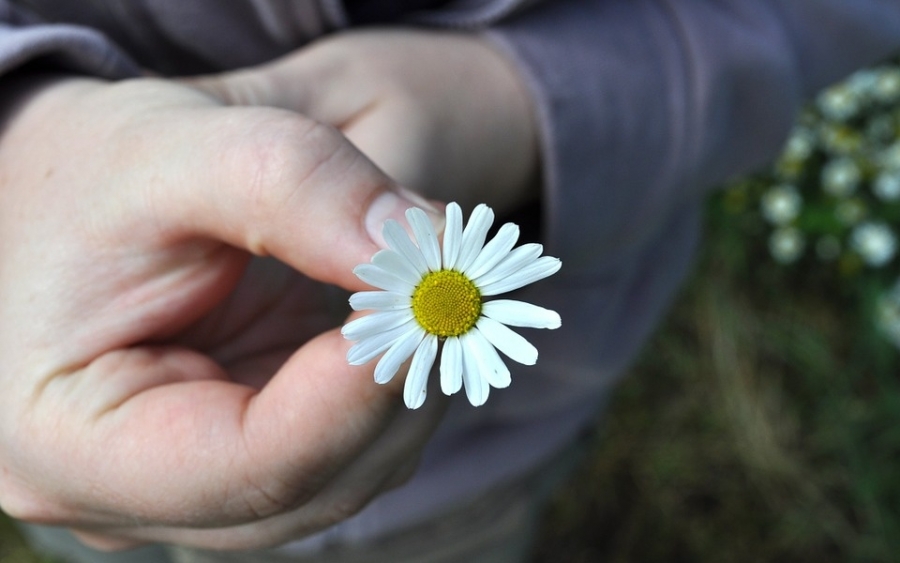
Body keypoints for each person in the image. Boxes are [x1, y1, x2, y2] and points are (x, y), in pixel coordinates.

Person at [0, 1, 898, 562]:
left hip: (470, 471)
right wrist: (19, 128)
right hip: (58, 400)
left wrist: (517, 97)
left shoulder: (449, 306)